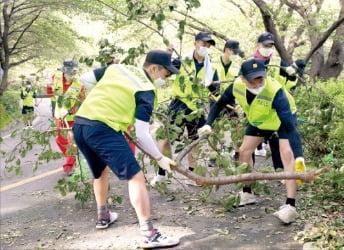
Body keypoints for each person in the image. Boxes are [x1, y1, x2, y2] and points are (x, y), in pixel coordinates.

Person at [72, 50, 180, 248]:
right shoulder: (146, 89)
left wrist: (105, 99)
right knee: (136, 177)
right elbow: (142, 133)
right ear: (154, 68)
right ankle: (150, 234)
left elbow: (85, 78)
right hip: (103, 129)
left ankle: (103, 216)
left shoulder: (118, 68)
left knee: (100, 172)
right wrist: (159, 158)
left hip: (81, 124)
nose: (166, 79)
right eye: (166, 74)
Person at [198, 58, 299, 223]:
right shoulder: (236, 85)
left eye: (261, 78)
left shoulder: (275, 91)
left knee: (286, 154)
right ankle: (247, 192)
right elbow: (219, 104)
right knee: (244, 151)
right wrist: (208, 124)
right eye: (253, 80)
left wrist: (298, 153)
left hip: (282, 119)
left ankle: (290, 205)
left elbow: (289, 126)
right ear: (243, 79)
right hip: (259, 119)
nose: (258, 83)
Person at [150, 32, 218, 187]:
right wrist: (167, 54)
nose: (205, 48)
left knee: (195, 141)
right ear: (195, 43)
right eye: (203, 44)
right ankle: (161, 173)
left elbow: (214, 88)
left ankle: (192, 174)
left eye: (208, 46)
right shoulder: (183, 60)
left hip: (197, 107)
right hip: (179, 105)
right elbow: (164, 73)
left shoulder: (210, 66)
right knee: (167, 138)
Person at [254, 32, 307, 184]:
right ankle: (280, 171)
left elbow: (290, 85)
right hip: (266, 111)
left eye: (271, 46)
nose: (268, 48)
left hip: (285, 106)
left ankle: (290, 171)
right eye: (265, 45)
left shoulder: (278, 62)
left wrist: (293, 73)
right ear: (258, 45)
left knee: (287, 139)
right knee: (274, 142)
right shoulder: (251, 63)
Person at [47, 59, 85, 176]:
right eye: (70, 72)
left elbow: (82, 101)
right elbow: (50, 92)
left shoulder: (79, 85)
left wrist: (70, 110)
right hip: (59, 117)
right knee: (60, 140)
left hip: (73, 119)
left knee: (72, 142)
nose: (73, 74)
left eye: (74, 72)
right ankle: (70, 156)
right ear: (64, 71)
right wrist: (49, 86)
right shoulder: (56, 77)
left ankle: (69, 165)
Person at [209, 39, 243, 165]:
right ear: (227, 50)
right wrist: (216, 96)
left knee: (236, 126)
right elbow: (209, 83)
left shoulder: (237, 65)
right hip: (215, 98)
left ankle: (237, 153)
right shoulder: (213, 63)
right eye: (235, 52)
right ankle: (213, 156)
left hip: (231, 99)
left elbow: (239, 84)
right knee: (214, 128)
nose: (236, 55)